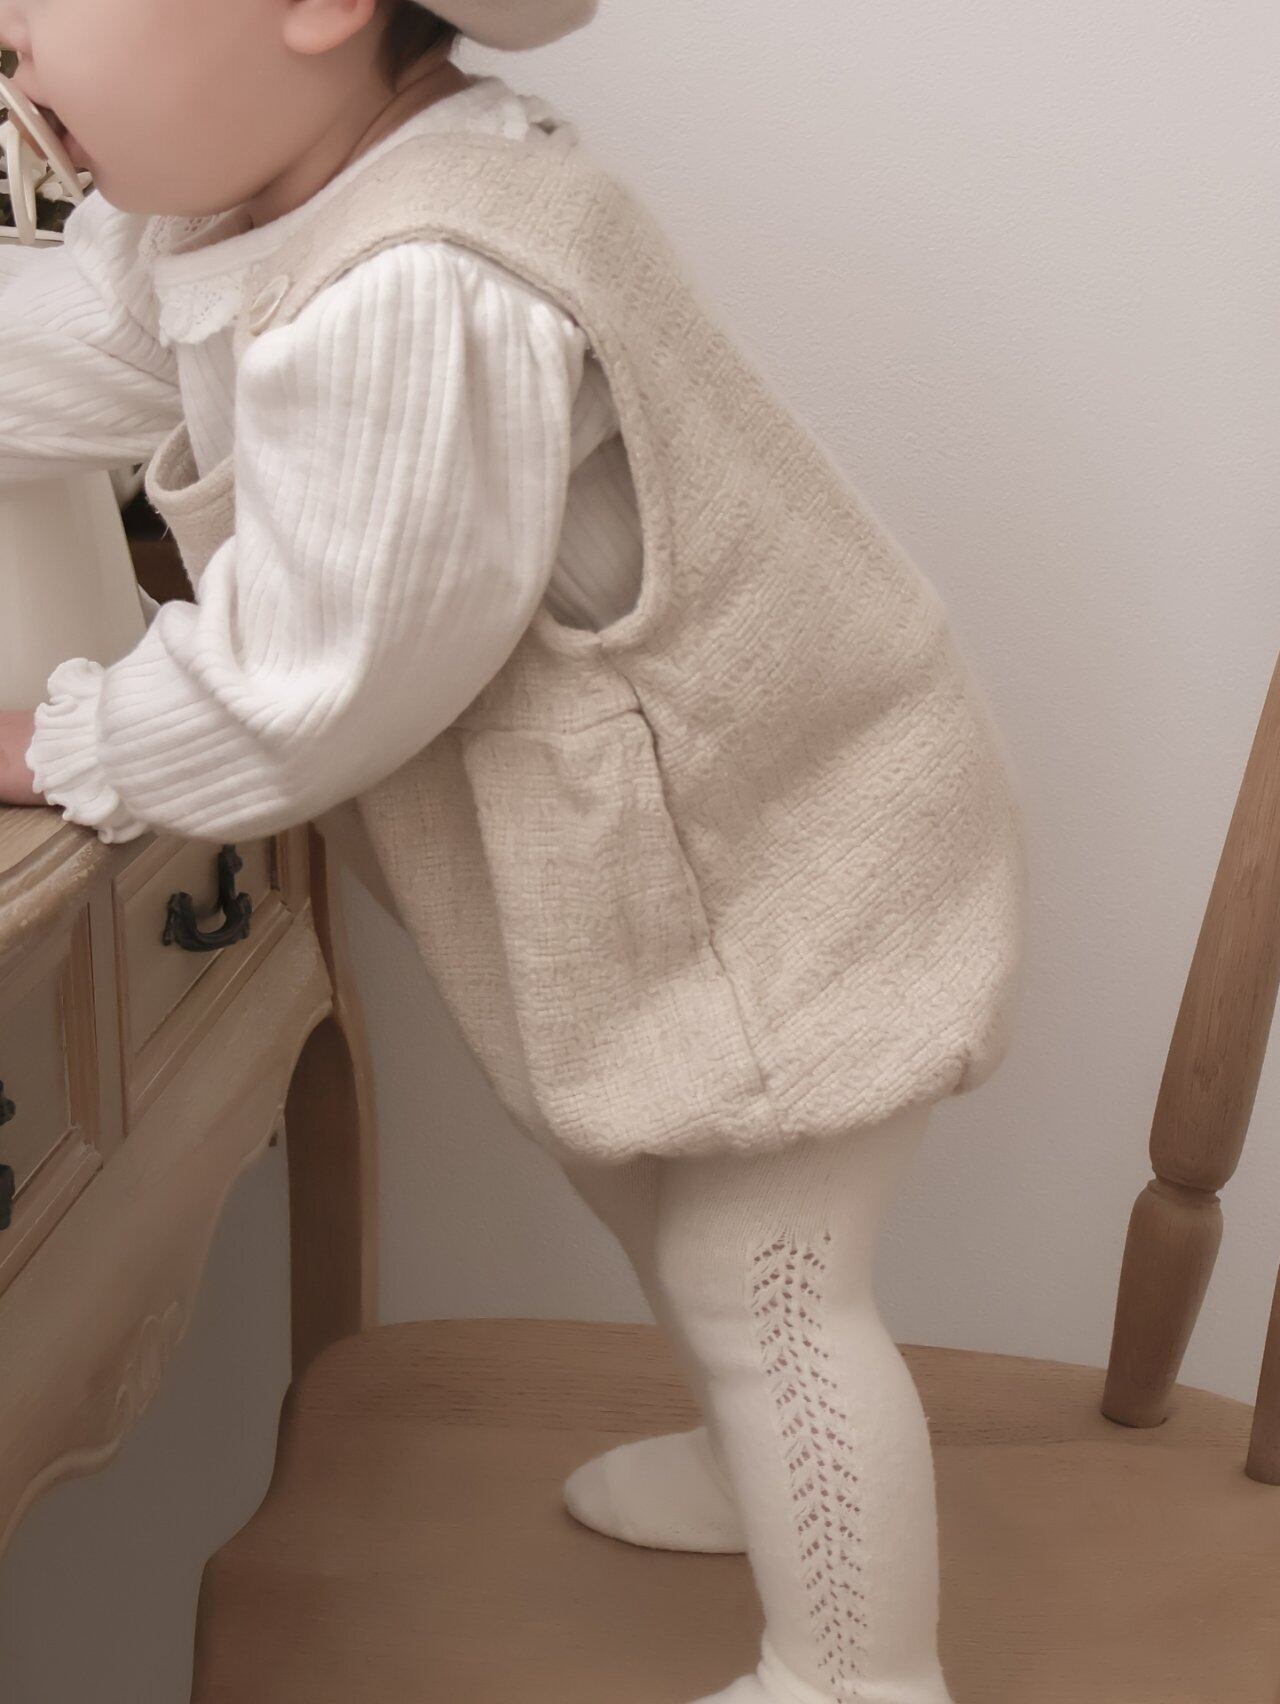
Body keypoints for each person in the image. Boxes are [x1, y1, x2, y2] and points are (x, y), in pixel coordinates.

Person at [0, 3, 1028, 1698]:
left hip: (789, 847)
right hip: (697, 853)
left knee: (763, 1272)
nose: (16, 46)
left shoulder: (419, 278)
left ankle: (858, 1675)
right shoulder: (249, 221)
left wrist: (69, 742)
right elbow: (80, 354)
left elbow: (316, 677)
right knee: (650, 1184)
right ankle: (748, 1464)